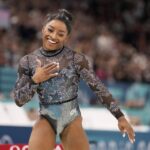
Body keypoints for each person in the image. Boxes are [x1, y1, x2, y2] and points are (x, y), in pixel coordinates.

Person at [13, 9, 135, 150]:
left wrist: (120, 116)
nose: (53, 36)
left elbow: (99, 88)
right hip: (46, 118)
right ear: (43, 29)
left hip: (71, 118)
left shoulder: (76, 59)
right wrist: (35, 80)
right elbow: (19, 100)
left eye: (60, 34)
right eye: (50, 30)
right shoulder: (28, 61)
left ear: (67, 37)